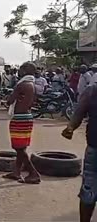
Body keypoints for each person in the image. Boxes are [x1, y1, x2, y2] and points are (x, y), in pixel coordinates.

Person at [62, 81, 97, 222]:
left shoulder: (93, 89)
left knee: (89, 187)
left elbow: (79, 111)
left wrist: (70, 128)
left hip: (95, 147)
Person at [4, 62, 40, 184]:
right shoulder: (32, 85)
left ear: (24, 71)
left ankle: (33, 173)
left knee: (18, 148)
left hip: (19, 118)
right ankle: (16, 172)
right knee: (21, 146)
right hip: (28, 117)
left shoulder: (22, 85)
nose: (18, 71)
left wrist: (7, 100)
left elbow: (10, 100)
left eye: (20, 69)